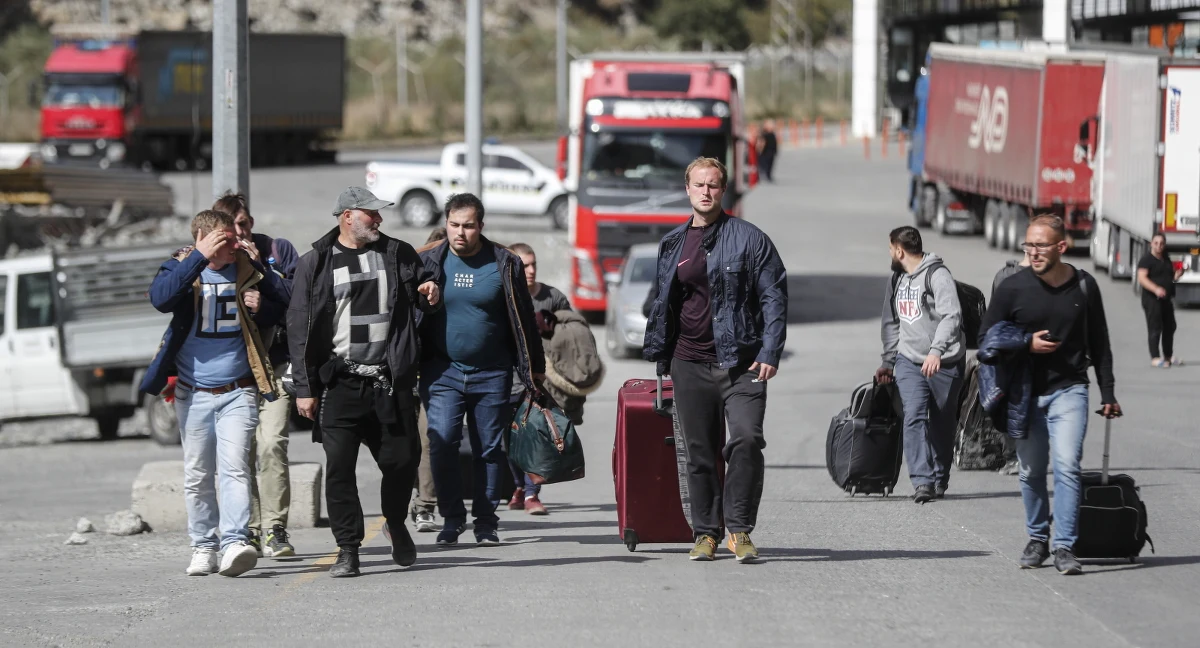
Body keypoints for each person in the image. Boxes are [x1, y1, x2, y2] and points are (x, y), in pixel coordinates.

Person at [287, 186, 442, 578]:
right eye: (371, 213)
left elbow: (423, 289)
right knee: (340, 468)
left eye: (379, 213)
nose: (379, 220)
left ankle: (395, 520)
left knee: (401, 462)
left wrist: (429, 290)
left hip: (388, 383)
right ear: (347, 216)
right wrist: (304, 388)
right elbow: (299, 328)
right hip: (340, 383)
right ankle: (348, 548)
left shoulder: (397, 253)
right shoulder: (316, 262)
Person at [642, 157, 787, 563]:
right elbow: (663, 302)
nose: (706, 192)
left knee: (746, 439)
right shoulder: (672, 244)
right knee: (700, 452)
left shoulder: (751, 239)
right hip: (688, 362)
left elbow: (774, 296)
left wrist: (770, 350)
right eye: (699, 185)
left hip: (743, 363)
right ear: (687, 189)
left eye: (714, 185)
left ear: (723, 191)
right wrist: (661, 352)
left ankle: (738, 531)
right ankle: (706, 532)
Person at [140, 209, 290, 577]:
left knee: (235, 469)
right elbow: (160, 298)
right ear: (204, 239)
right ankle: (203, 546)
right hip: (194, 393)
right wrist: (198, 257)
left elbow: (290, 300)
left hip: (239, 389)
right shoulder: (182, 268)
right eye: (225, 238)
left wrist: (264, 280)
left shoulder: (247, 267)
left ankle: (235, 542)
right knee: (197, 472)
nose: (235, 243)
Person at [980, 215, 1121, 575]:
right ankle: (1037, 538)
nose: (1033, 252)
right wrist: (1026, 343)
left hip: (1069, 389)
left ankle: (1065, 547)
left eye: (1041, 245)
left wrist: (1108, 392)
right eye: (1029, 245)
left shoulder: (1085, 287)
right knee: (1030, 471)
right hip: (1024, 395)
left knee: (1067, 467)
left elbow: (1100, 342)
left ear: (1062, 246)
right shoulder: (1012, 288)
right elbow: (985, 340)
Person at [417, 193, 545, 547]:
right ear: (446, 224)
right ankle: (452, 519)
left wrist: (535, 368)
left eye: (468, 226)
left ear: (481, 226)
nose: (461, 233)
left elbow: (525, 321)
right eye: (454, 225)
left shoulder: (505, 262)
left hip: (493, 372)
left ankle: (486, 522)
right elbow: (406, 311)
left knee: (488, 449)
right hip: (442, 373)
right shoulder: (426, 260)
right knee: (442, 443)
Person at [212, 192, 300, 558]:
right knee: (240, 453)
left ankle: (275, 528)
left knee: (272, 443)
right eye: (231, 227)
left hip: (276, 368)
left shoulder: (277, 251)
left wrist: (264, 284)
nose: (239, 233)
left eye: (244, 224)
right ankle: (248, 528)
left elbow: (299, 300)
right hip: (238, 374)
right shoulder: (214, 262)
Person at [877, 226, 965, 504]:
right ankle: (922, 482)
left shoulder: (938, 275)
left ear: (899, 250)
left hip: (945, 362)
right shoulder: (897, 278)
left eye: (890, 249)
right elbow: (891, 322)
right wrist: (889, 361)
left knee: (941, 423)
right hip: (908, 361)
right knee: (913, 415)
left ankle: (939, 477)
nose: (890, 254)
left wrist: (936, 351)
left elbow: (952, 316)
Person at [505, 242, 573, 516]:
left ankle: (532, 493)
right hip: (504, 379)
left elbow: (573, 334)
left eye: (533, 264)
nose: (531, 270)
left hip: (540, 380)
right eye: (525, 265)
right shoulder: (503, 294)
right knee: (508, 440)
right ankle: (520, 485)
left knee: (535, 434)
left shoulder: (552, 297)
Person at [406, 225, 452, 533]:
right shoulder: (412, 283)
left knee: (428, 440)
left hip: (436, 378)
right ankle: (411, 497)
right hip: (402, 375)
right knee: (404, 445)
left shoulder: (457, 290)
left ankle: (425, 506)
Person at [991, 248, 1031, 476]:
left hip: (1027, 351)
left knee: (1022, 404)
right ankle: (1013, 456)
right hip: (1010, 349)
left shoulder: (1051, 275)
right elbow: (994, 315)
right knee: (1008, 404)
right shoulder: (1005, 276)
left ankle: (1022, 456)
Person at [1137, 233, 1182, 368]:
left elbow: (1170, 277)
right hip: (1152, 299)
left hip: (1166, 298)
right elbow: (1142, 278)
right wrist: (1156, 289)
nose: (1159, 246)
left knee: (1170, 326)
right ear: (1151, 243)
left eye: (1161, 243)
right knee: (1155, 327)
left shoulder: (1166, 258)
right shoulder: (1146, 260)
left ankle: (1168, 355)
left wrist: (1177, 275)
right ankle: (1155, 357)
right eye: (1156, 243)